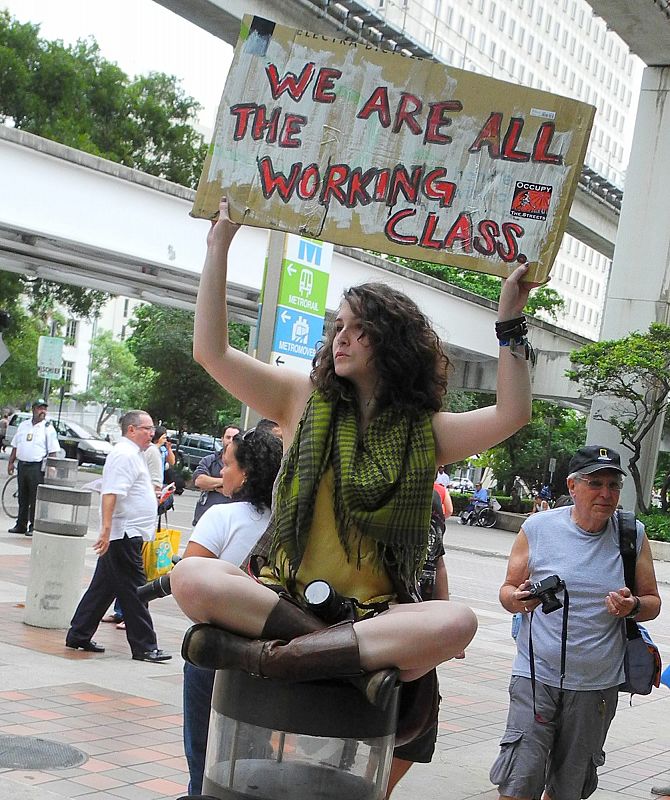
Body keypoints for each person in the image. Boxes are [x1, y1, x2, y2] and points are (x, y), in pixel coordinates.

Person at [170, 197, 536, 791]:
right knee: (191, 576)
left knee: (459, 621)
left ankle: (275, 655)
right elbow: (211, 352)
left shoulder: (425, 433)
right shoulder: (298, 399)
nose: (341, 338)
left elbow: (513, 413)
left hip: (370, 615)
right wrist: (219, 247)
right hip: (284, 597)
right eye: (338, 326)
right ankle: (339, 660)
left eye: (357, 329)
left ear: (390, 342)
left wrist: (510, 317)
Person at [490, 445, 661, 800]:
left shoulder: (631, 534)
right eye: (595, 483)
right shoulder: (538, 528)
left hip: (595, 686)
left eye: (613, 485)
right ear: (572, 485)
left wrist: (631, 607)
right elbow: (507, 591)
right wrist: (518, 600)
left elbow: (652, 603)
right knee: (519, 780)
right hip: (535, 676)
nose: (606, 494)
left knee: (568, 788)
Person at [182, 426, 283, 795]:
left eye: (227, 465)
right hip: (272, 656)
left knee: (204, 755)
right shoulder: (290, 526)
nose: (221, 472)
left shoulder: (221, 518)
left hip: (216, 653)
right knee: (254, 756)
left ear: (246, 473)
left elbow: (189, 582)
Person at [65, 410, 172, 663]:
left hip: (126, 532)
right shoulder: (124, 454)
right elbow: (111, 493)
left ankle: (79, 634)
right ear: (131, 429)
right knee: (136, 590)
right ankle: (144, 646)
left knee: (103, 587)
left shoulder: (135, 454)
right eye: (146, 428)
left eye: (152, 428)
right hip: (124, 533)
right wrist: (105, 530)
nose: (152, 433)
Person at [7, 399, 59, 535]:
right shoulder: (23, 425)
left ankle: (33, 525)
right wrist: (11, 462)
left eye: (44, 409)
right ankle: (21, 524)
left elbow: (53, 450)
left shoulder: (48, 428)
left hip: (37, 467)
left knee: (35, 497)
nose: (43, 411)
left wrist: (51, 467)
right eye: (40, 408)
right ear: (34, 409)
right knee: (22, 496)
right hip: (22, 465)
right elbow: (16, 445)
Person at [191, 423, 240, 525]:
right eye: (228, 437)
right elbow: (199, 481)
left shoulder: (244, 464)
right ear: (222, 439)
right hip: (204, 517)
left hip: (230, 521)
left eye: (234, 438)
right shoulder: (209, 460)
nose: (230, 440)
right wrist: (226, 483)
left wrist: (212, 485)